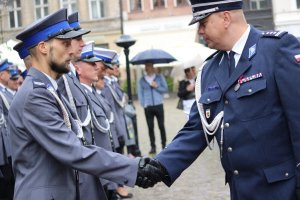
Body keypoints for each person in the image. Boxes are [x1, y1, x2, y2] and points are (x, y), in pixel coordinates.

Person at [138, 0, 300, 199]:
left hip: (283, 189)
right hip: (240, 190)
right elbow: (197, 128)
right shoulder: (210, 69)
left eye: (203, 23)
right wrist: (160, 166)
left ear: (225, 18)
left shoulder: (276, 49)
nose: (200, 31)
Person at [9, 8, 162, 200]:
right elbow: (73, 150)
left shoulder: (48, 89)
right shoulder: (35, 95)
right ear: (43, 48)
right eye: (65, 44)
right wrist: (134, 168)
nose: (71, 51)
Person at [137, 62, 168, 154]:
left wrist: (156, 86)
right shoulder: (142, 80)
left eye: (149, 66)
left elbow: (165, 89)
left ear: (152, 67)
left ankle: (164, 145)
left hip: (159, 105)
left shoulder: (159, 77)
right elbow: (140, 93)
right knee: (150, 127)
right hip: (148, 107)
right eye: (146, 66)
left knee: (161, 126)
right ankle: (153, 147)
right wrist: (143, 104)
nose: (147, 68)